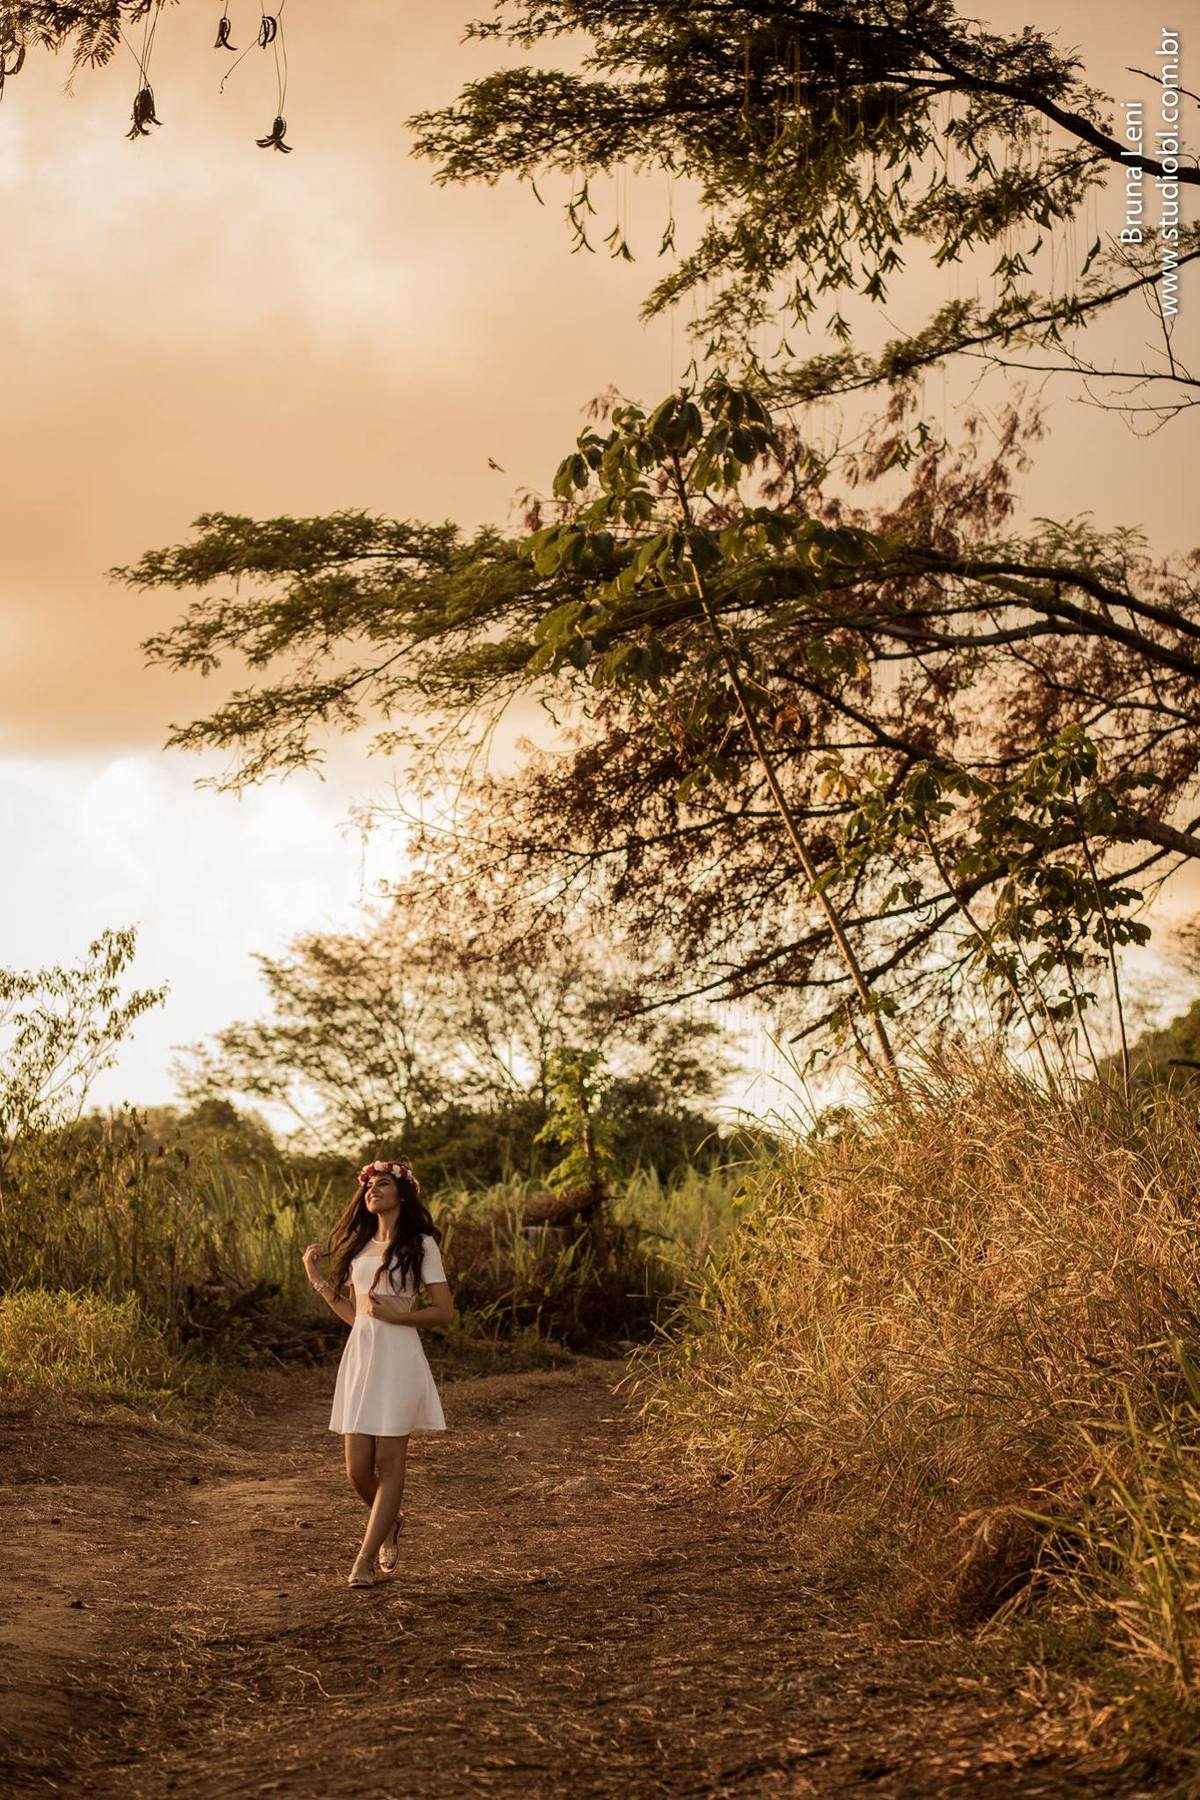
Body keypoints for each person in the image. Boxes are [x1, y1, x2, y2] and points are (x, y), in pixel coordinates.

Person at [302, 1157, 455, 1588]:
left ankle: (363, 1560)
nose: (372, 1190)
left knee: (389, 1465)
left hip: (399, 1357)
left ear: (402, 1193)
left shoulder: (421, 1245)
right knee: (356, 1469)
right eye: (368, 1186)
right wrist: (316, 1279)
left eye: (382, 1183)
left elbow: (444, 1313)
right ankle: (391, 1521)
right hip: (362, 1355)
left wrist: (399, 1316)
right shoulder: (361, 1250)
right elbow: (357, 1317)